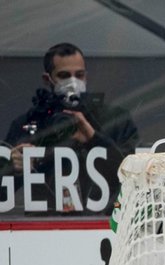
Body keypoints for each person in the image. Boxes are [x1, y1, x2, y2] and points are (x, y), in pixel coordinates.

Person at [1, 42, 139, 215]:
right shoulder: (28, 123)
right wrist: (11, 167)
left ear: (86, 77)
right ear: (47, 79)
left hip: (102, 225)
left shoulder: (115, 119)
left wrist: (94, 138)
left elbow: (134, 176)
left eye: (79, 75)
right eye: (64, 75)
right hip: (43, 230)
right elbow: (2, 193)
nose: (73, 82)